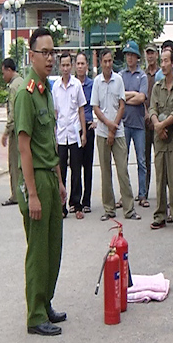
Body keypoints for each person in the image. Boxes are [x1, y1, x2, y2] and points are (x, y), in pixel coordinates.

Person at [14, 27, 67, 336]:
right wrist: (32, 194)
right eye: (44, 53)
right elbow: (24, 147)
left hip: (50, 177)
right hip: (35, 184)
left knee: (53, 247)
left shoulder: (46, 91)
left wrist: (59, 181)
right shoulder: (26, 94)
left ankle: (45, 302)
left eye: (53, 52)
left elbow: (50, 144)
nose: (50, 58)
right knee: (38, 250)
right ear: (31, 55)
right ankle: (35, 315)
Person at [91, 48, 140, 221]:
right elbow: (95, 107)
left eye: (110, 61)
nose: (107, 64)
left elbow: (122, 105)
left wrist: (114, 127)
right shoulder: (97, 82)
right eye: (104, 61)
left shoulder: (118, 80)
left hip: (118, 133)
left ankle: (129, 209)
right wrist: (108, 125)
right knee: (105, 172)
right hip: (102, 133)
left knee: (122, 171)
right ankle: (109, 209)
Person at [148, 47, 173, 230]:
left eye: (166, 61)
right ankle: (160, 215)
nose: (163, 64)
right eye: (161, 61)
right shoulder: (157, 87)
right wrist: (157, 125)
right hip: (160, 138)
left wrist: (162, 126)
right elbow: (152, 109)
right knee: (160, 176)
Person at [52, 52, 87, 219]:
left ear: (71, 66)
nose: (65, 68)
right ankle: (62, 205)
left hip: (74, 134)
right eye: (63, 65)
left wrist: (84, 133)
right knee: (62, 172)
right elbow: (55, 112)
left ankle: (77, 205)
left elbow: (81, 109)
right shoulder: (56, 87)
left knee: (76, 171)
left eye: (68, 65)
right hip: (61, 134)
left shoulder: (77, 85)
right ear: (60, 67)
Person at [120, 41, 149, 209]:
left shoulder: (142, 76)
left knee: (141, 161)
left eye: (132, 55)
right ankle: (125, 195)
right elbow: (119, 97)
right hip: (124, 124)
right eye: (127, 55)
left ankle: (142, 194)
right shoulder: (121, 75)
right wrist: (133, 95)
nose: (129, 58)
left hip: (138, 124)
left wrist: (129, 97)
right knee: (122, 161)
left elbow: (142, 98)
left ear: (137, 57)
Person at [1, 58, 23, 206]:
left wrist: (5, 133)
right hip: (26, 129)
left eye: (4, 73)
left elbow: (12, 114)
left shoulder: (14, 87)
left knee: (14, 164)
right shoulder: (23, 81)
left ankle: (16, 195)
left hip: (16, 131)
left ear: (9, 70)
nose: (3, 77)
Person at [75, 52, 95, 213]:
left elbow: (97, 104)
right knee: (76, 165)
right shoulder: (73, 85)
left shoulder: (92, 84)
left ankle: (86, 200)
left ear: (87, 66)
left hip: (88, 127)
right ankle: (76, 200)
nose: (80, 66)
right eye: (78, 63)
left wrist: (96, 121)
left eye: (83, 63)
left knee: (87, 166)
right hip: (75, 129)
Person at [143, 43, 160, 205]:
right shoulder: (143, 75)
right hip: (145, 121)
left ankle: (162, 193)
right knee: (144, 158)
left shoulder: (161, 74)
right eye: (148, 53)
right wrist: (146, 112)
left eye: (152, 53)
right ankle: (144, 191)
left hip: (159, 122)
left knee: (160, 159)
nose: (150, 56)